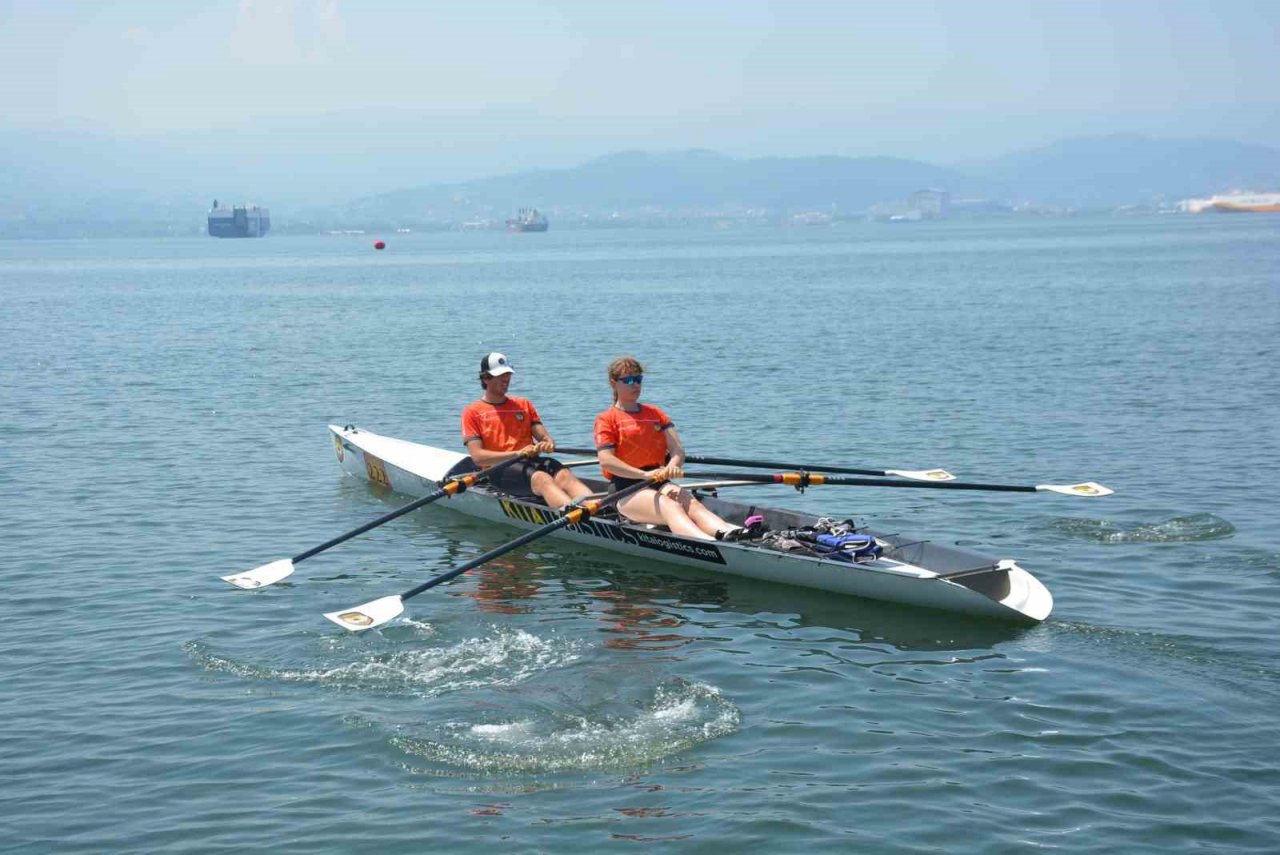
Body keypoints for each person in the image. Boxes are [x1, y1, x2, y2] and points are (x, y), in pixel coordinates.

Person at [593, 356, 757, 542]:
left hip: (659, 480)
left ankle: (726, 533)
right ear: (613, 383)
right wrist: (644, 475)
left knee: (690, 502)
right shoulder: (606, 419)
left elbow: (678, 451)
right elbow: (607, 460)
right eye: (628, 380)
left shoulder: (655, 414)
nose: (635, 385)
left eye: (638, 380)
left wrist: (672, 465)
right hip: (625, 489)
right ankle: (710, 544)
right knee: (670, 506)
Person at [461, 352, 593, 509]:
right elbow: (478, 457)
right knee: (542, 479)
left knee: (564, 474)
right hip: (499, 470)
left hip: (529, 463)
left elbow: (543, 435)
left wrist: (548, 442)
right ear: (485, 378)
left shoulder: (523, 405)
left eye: (508, 373)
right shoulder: (472, 412)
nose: (506, 378)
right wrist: (516, 454)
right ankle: (573, 516)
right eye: (501, 374)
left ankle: (597, 509)